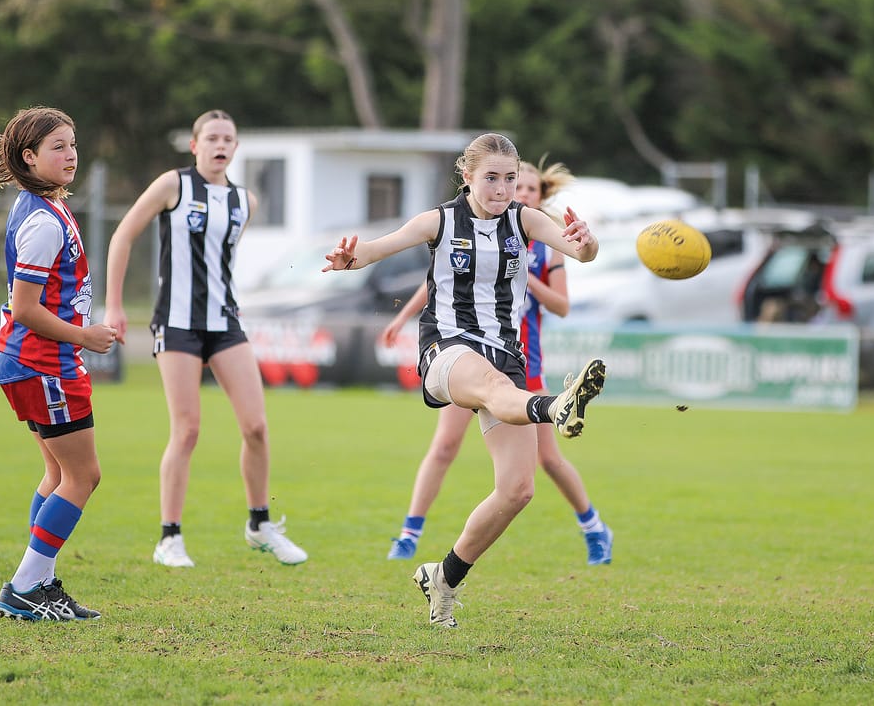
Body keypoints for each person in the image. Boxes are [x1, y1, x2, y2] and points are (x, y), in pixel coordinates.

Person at [323, 133, 606, 628]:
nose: (501, 189)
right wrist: (352, 256)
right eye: (491, 178)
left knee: (518, 490)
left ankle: (444, 577)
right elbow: (378, 248)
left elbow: (581, 254)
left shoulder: (525, 219)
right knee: (497, 393)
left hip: (504, 355)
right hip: (447, 350)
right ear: (467, 177)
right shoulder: (440, 219)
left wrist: (588, 241)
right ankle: (557, 405)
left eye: (509, 179)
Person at [381, 159, 612, 567]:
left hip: (518, 354)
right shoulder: (459, 225)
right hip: (459, 350)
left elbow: (564, 298)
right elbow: (439, 278)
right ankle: (408, 533)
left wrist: (537, 265)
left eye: (522, 187)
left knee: (540, 468)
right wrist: (401, 318)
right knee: (446, 444)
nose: (512, 193)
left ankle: (593, 526)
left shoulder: (538, 238)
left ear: (539, 199)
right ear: (470, 179)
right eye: (505, 183)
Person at [104, 109, 307, 568]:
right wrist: (114, 306)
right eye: (211, 137)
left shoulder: (245, 201)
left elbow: (220, 262)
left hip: (225, 321)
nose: (220, 145)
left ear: (236, 148)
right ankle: (169, 538)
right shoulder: (172, 185)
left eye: (228, 138)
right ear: (194, 146)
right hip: (176, 323)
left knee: (256, 426)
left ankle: (260, 525)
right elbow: (123, 236)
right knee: (188, 429)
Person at [0, 106, 118, 620]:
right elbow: (28, 307)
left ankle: (42, 581)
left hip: (33, 361)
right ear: (29, 157)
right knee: (83, 476)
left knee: (59, 473)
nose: (71, 153)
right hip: (43, 363)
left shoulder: (43, 206)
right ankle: (23, 588)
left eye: (73, 143)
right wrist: (86, 335)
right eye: (57, 147)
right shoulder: (41, 220)